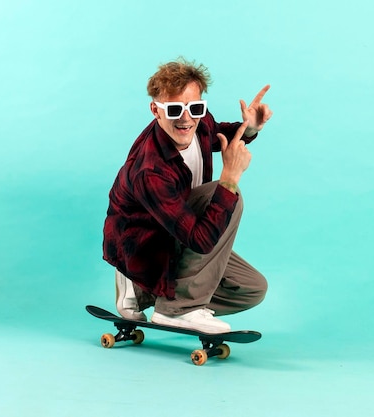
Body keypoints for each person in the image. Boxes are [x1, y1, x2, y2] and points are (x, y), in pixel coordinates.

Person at [102, 58, 272, 334]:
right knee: (228, 196)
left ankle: (146, 294)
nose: (186, 118)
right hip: (147, 246)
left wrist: (249, 128)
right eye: (174, 110)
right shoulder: (150, 171)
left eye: (194, 107)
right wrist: (229, 178)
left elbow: (219, 135)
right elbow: (200, 240)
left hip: (179, 230)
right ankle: (177, 309)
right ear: (155, 110)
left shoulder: (199, 119)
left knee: (251, 288)